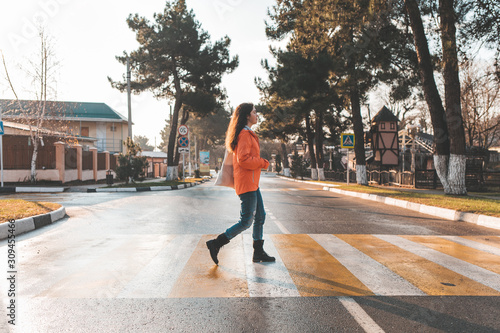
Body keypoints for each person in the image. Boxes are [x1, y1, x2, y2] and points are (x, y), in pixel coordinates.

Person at [206, 103, 275, 265]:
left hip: (252, 183)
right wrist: (263, 162)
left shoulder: (248, 133)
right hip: (247, 184)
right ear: (247, 116)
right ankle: (216, 243)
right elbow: (243, 160)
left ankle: (258, 252)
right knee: (246, 221)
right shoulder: (244, 134)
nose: (257, 115)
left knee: (260, 216)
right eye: (254, 112)